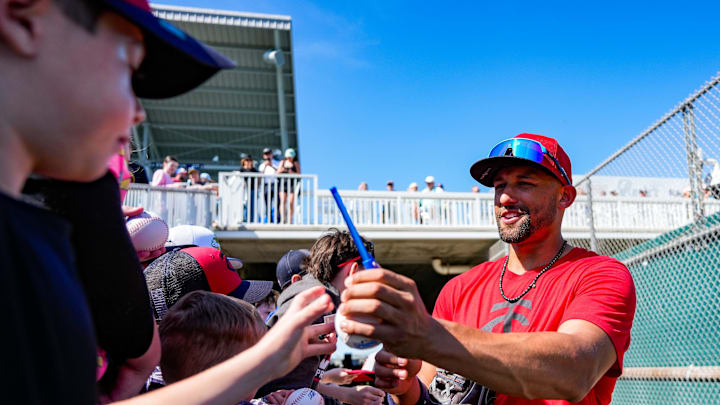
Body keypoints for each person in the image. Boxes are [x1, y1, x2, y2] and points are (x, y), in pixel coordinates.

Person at [339, 134, 637, 405]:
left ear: (565, 196)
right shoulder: (458, 289)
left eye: (525, 183)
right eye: (499, 186)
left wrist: (427, 334)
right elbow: (429, 393)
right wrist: (406, 389)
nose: (506, 197)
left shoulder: (600, 274)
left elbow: (575, 370)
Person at [277, 148, 301, 224]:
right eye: (288, 157)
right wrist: (283, 170)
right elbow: (277, 172)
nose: (289, 158)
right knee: (283, 201)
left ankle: (290, 220)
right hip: (283, 183)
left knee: (291, 202)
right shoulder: (283, 162)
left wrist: (292, 173)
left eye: (290, 157)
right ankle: (283, 219)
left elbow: (299, 174)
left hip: (292, 184)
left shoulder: (295, 163)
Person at [259, 147, 280, 223]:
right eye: (266, 154)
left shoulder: (277, 163)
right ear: (264, 156)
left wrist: (271, 165)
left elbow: (279, 173)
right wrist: (265, 166)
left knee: (278, 202)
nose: (267, 156)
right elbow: (260, 175)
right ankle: (269, 220)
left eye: (269, 154)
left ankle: (278, 219)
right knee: (267, 203)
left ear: (272, 154)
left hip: (276, 184)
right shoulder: (261, 165)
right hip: (266, 185)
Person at [240, 155, 260, 222]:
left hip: (253, 189)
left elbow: (259, 177)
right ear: (244, 161)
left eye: (250, 160)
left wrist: (258, 185)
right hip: (244, 190)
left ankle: (251, 220)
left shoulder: (254, 170)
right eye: (247, 160)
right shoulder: (241, 170)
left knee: (252, 205)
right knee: (245, 204)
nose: (248, 162)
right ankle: (245, 219)